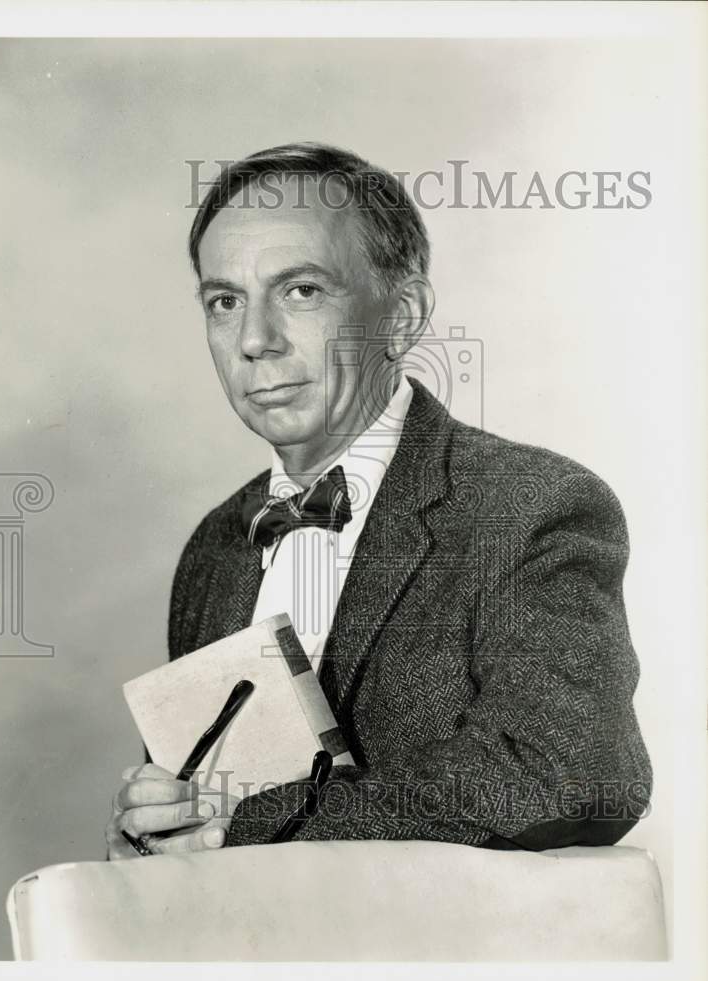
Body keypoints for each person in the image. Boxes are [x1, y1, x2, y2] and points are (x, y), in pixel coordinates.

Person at [106, 142, 651, 859]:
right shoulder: (215, 546)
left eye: (301, 291)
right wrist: (149, 838)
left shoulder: (530, 506)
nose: (254, 341)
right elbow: (198, 819)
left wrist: (239, 832)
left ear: (402, 315)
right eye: (224, 301)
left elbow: (573, 773)